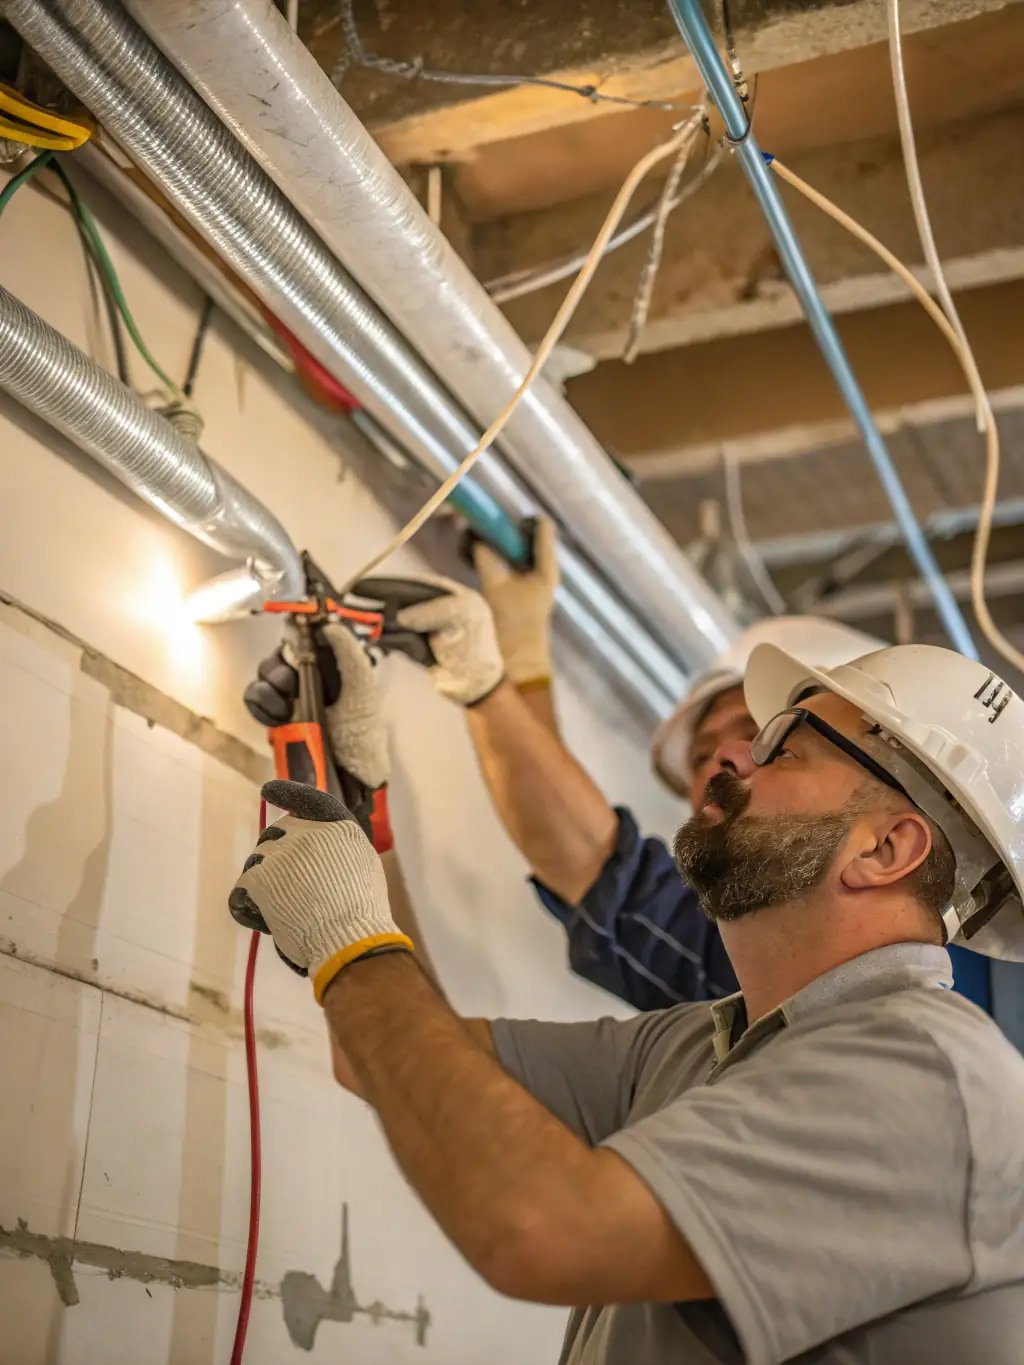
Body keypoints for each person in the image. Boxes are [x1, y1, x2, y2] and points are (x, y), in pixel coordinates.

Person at [230, 640, 1024, 1363]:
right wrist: (361, 807)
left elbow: (538, 1229)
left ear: (884, 848)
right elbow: (395, 1061)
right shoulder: (696, 1047)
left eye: (786, 744)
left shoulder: (931, 1076)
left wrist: (351, 943)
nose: (739, 753)